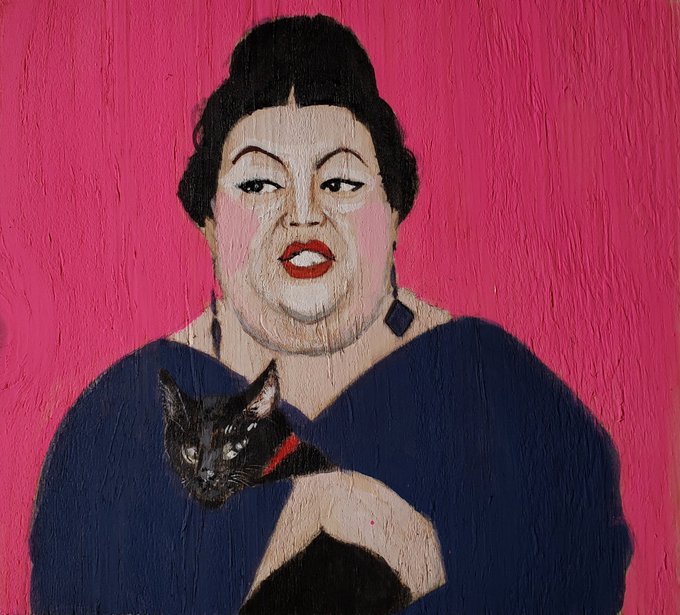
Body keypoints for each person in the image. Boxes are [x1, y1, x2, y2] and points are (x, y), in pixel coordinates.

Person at [30, 14, 632, 615]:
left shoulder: (495, 382)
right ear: (209, 219)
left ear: (393, 210)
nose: (303, 213)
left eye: (340, 182)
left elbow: (578, 566)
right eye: (259, 185)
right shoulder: (122, 413)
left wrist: (418, 552)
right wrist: (299, 515)